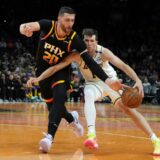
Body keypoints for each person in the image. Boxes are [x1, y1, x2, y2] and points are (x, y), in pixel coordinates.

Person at [27, 28, 160, 155]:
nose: (89, 44)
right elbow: (56, 67)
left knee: (128, 110)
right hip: (93, 84)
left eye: (92, 41)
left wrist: (137, 79)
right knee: (88, 94)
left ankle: (156, 140)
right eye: (86, 40)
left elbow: (122, 65)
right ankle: (92, 135)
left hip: (110, 82)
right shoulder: (77, 54)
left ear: (96, 42)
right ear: (82, 40)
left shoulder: (103, 52)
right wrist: (38, 78)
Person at [20, 7, 122, 153]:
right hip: (42, 72)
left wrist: (107, 80)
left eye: (72, 20)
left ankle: (49, 138)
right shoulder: (48, 26)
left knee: (59, 98)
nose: (70, 24)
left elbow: (90, 62)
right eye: (67, 20)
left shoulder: (75, 39)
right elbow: (27, 26)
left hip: (60, 71)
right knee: (53, 108)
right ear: (59, 18)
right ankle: (71, 119)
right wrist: (24, 29)